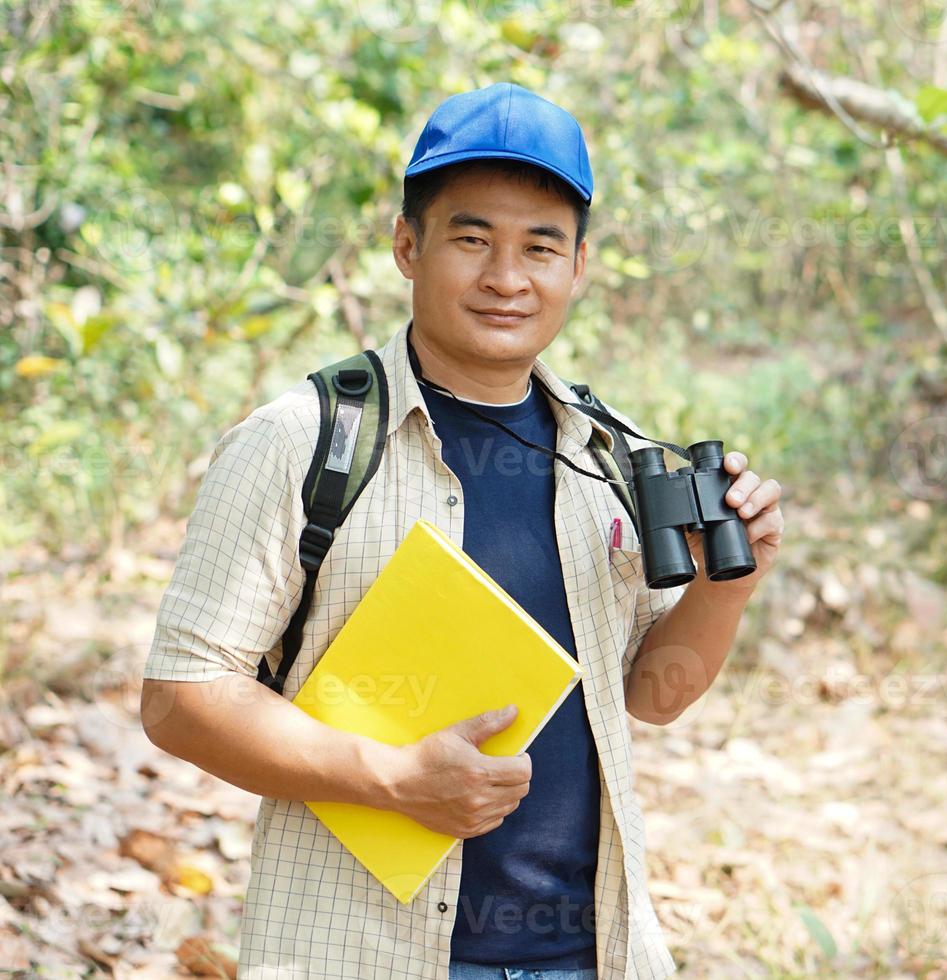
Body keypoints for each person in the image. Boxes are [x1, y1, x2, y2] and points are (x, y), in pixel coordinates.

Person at [139, 82, 784, 980]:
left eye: (540, 247)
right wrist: (389, 778)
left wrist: (730, 581)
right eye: (472, 239)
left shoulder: (614, 457)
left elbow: (653, 695)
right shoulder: (304, 441)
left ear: (580, 267)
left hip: (591, 953)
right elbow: (181, 698)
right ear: (408, 245)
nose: (506, 278)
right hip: (363, 953)